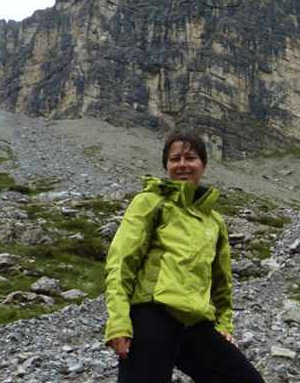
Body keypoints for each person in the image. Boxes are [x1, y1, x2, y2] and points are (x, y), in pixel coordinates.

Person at [103, 132, 264, 383]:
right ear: (166, 166)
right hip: (151, 316)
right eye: (174, 159)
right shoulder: (150, 201)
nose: (182, 165)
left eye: (190, 157)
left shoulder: (214, 221)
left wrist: (224, 325)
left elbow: (222, 283)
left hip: (196, 323)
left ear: (203, 165)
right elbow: (121, 262)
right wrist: (118, 322)